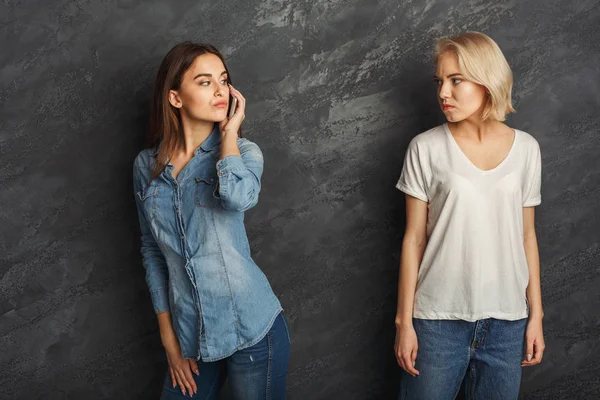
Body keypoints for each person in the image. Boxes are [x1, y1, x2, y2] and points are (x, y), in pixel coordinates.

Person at [132, 42, 290, 400]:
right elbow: (153, 252)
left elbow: (238, 198)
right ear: (175, 97)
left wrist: (230, 133)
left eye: (223, 79)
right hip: (190, 337)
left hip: (251, 331)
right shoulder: (146, 166)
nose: (220, 90)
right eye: (204, 82)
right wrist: (170, 341)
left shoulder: (243, 152)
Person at [394, 32, 545, 399]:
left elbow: (527, 236)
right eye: (440, 82)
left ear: (487, 80)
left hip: (507, 325)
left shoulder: (526, 149)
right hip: (437, 323)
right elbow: (414, 238)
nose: (443, 92)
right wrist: (404, 322)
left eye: (456, 80)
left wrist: (536, 315)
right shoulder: (425, 148)